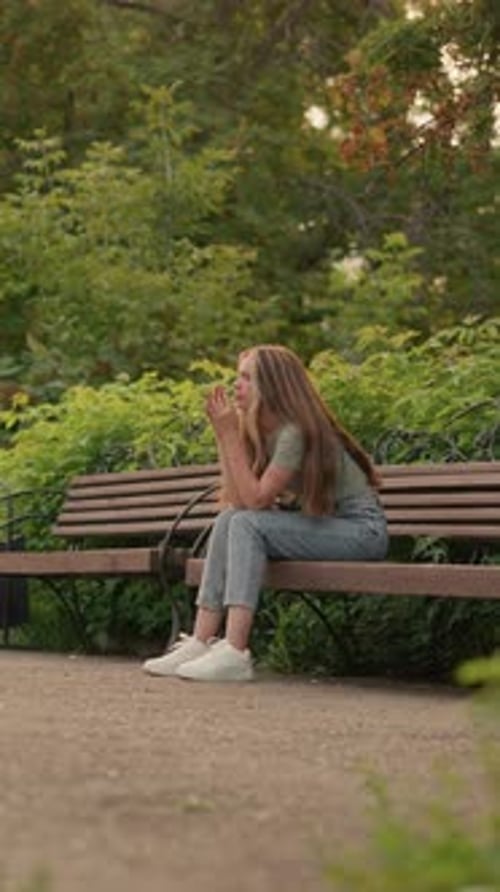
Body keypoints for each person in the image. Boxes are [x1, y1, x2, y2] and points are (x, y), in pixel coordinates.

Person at [143, 344, 388, 682]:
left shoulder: (294, 432)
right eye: (237, 377)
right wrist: (225, 436)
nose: (236, 385)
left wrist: (229, 434)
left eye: (247, 378)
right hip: (328, 525)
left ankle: (235, 651)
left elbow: (256, 501)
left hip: (361, 531)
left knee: (246, 523)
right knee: (229, 518)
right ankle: (201, 641)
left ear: (272, 385)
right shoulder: (263, 430)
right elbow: (238, 500)